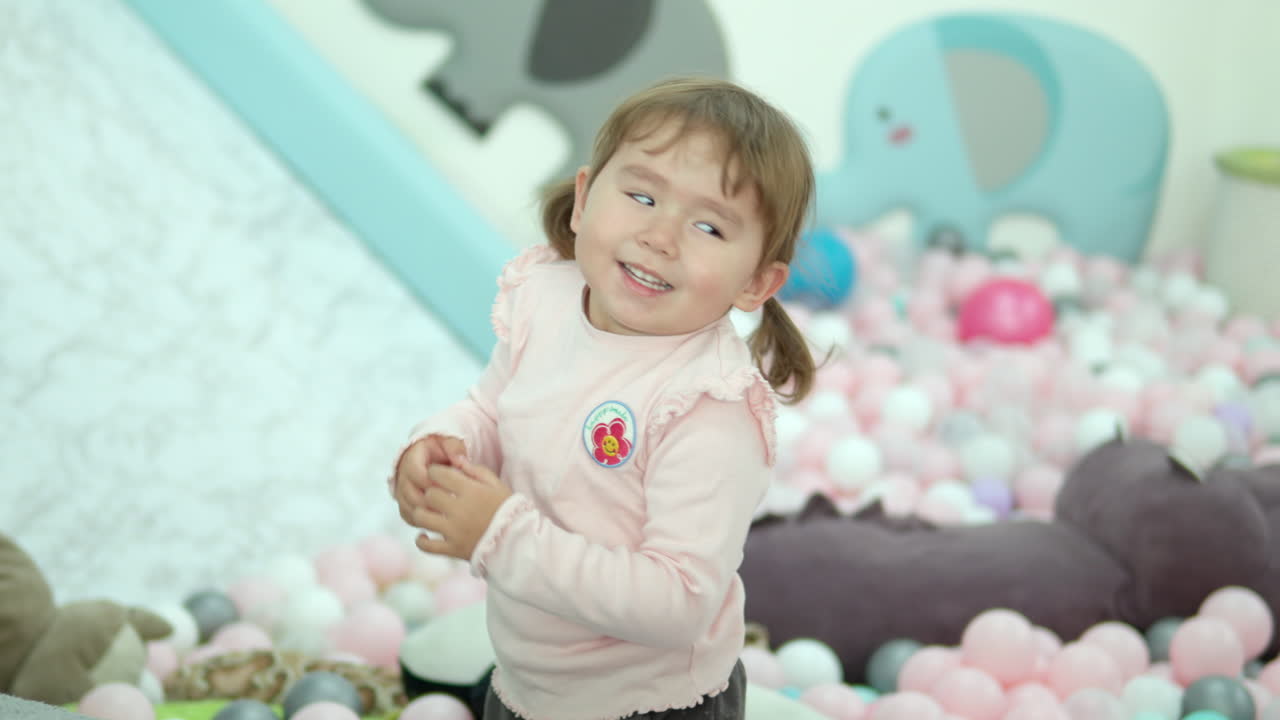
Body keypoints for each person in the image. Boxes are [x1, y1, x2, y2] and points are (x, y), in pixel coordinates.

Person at [390, 75, 817, 720]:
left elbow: (677, 600)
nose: (661, 236)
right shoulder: (547, 299)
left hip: (648, 705)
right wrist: (443, 443)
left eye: (708, 226)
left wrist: (501, 535)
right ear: (585, 198)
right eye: (642, 195)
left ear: (757, 281)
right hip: (532, 675)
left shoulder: (707, 405)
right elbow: (491, 408)